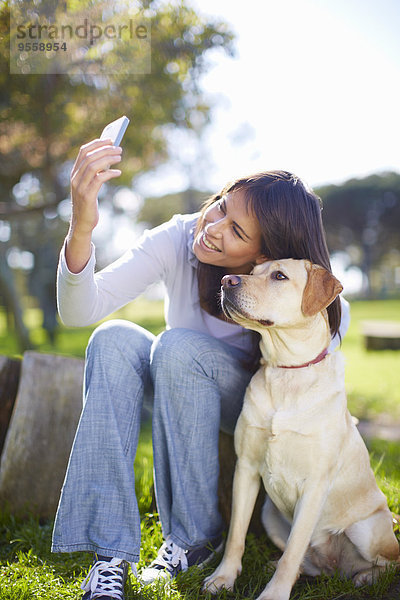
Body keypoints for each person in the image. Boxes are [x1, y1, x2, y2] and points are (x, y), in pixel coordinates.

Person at [51, 138, 350, 600]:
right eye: (221, 208)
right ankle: (108, 554)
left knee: (179, 347)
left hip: (250, 400)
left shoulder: (309, 298)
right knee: (112, 340)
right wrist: (83, 227)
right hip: (176, 377)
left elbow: (322, 375)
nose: (213, 228)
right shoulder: (179, 236)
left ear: (264, 255)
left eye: (237, 232)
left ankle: (193, 540)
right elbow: (79, 310)